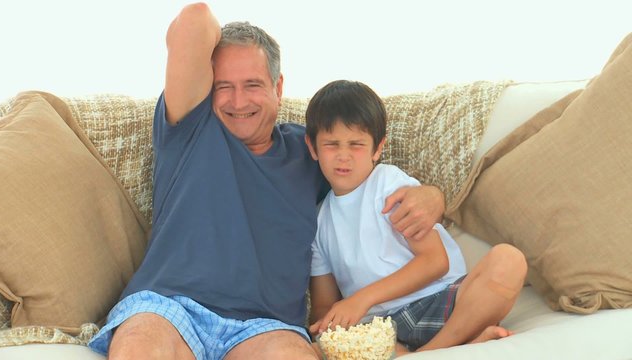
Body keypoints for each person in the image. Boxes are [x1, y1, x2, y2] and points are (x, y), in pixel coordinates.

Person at [87, 3, 445, 360]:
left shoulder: (310, 151)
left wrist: (432, 196)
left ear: (278, 87)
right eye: (223, 85)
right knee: (142, 344)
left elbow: (366, 175)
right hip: (169, 308)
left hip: (266, 327)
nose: (238, 101)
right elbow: (193, 21)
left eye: (253, 85)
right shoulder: (190, 130)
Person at [305, 80, 528, 354]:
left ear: (378, 149)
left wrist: (362, 299)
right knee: (314, 349)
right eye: (331, 144)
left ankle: (431, 352)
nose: (343, 156)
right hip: (379, 326)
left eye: (356, 144)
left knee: (509, 260)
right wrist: (327, 328)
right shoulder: (318, 222)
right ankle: (462, 344)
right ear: (312, 148)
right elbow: (324, 305)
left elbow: (435, 262)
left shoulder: (388, 185)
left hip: (440, 302)